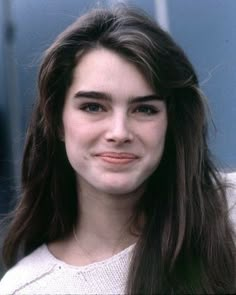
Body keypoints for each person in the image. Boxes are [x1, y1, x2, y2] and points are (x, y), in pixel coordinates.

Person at [0, 5, 235, 294]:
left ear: (169, 123)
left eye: (145, 109)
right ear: (57, 121)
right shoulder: (25, 288)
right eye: (93, 106)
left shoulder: (231, 213)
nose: (119, 132)